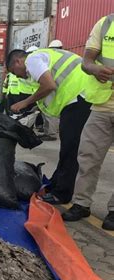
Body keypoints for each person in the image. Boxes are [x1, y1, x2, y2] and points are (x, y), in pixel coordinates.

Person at [7, 48, 92, 205]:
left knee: (70, 149)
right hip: (78, 98)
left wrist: (24, 102)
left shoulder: (32, 59)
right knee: (67, 148)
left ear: (19, 61)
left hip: (80, 97)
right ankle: (56, 184)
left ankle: (62, 193)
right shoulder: (43, 59)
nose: (18, 76)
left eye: (14, 71)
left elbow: (49, 85)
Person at [62, 13, 114, 230]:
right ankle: (82, 203)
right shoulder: (106, 24)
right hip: (102, 103)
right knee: (88, 156)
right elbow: (87, 60)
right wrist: (93, 68)